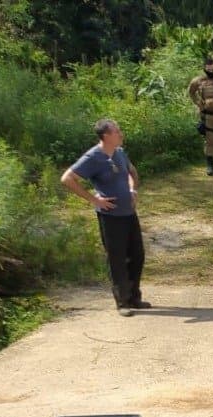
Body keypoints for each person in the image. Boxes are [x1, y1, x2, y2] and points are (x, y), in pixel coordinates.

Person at [61, 119, 149, 317]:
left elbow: (131, 172)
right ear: (106, 136)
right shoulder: (93, 157)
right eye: (117, 131)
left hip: (129, 212)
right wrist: (94, 199)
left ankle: (135, 297)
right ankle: (122, 302)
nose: (121, 134)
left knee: (137, 255)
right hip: (111, 217)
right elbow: (67, 178)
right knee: (116, 258)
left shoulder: (119, 152)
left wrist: (132, 189)